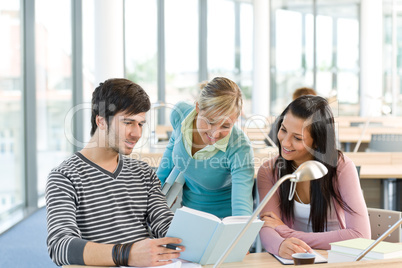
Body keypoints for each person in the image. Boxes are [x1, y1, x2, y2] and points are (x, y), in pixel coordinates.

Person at [46, 78, 184, 267]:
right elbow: (60, 246)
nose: (136, 133)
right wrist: (127, 254)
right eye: (128, 122)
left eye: (140, 124)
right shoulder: (64, 177)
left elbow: (164, 224)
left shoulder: (144, 173)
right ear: (101, 121)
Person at [257, 95, 370, 259]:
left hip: (336, 257)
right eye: (283, 130)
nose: (285, 143)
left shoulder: (342, 168)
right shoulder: (269, 170)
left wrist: (288, 234)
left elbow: (360, 236)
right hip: (293, 258)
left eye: (297, 138)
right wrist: (280, 245)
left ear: (317, 142)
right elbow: (267, 227)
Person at [156, 77, 255, 218]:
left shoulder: (240, 147)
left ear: (236, 119)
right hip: (186, 216)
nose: (215, 133)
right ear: (198, 108)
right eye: (210, 121)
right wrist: (153, 200)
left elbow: (242, 207)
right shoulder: (180, 113)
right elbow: (169, 157)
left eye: (225, 126)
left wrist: (238, 235)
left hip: (223, 224)